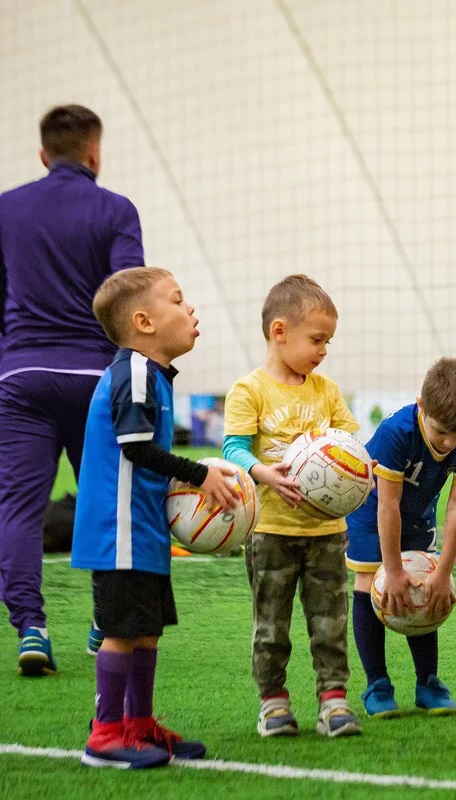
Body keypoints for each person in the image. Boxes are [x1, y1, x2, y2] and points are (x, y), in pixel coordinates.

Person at [71, 267, 238, 768]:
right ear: (144, 321)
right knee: (122, 630)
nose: (191, 310)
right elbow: (135, 446)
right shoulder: (136, 371)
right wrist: (198, 475)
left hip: (141, 530)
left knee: (147, 630)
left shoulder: (155, 378)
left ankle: (139, 724)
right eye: (177, 300)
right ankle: (104, 736)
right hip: (118, 531)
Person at [0, 104, 143, 673]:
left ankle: (31, 629)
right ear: (94, 152)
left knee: (17, 506)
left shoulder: (6, 209)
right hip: (94, 378)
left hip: (21, 378)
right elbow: (129, 300)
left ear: (42, 154)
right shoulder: (115, 209)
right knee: (109, 502)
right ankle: (105, 621)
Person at [222, 275, 362, 739]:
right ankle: (274, 703)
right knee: (271, 625)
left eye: (329, 341)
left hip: (326, 532)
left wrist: (360, 465)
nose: (323, 350)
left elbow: (347, 442)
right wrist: (262, 472)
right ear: (279, 332)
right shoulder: (250, 390)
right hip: (271, 531)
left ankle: (333, 702)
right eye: (317, 339)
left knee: (330, 625)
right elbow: (234, 448)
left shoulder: (327, 391)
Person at [346, 357, 456, 718]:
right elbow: (387, 505)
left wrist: (443, 572)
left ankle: (428, 683)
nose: (450, 443)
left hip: (419, 516)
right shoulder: (398, 433)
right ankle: (377, 683)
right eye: (440, 432)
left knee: (424, 586)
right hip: (371, 511)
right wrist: (391, 570)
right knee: (369, 584)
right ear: (421, 407)